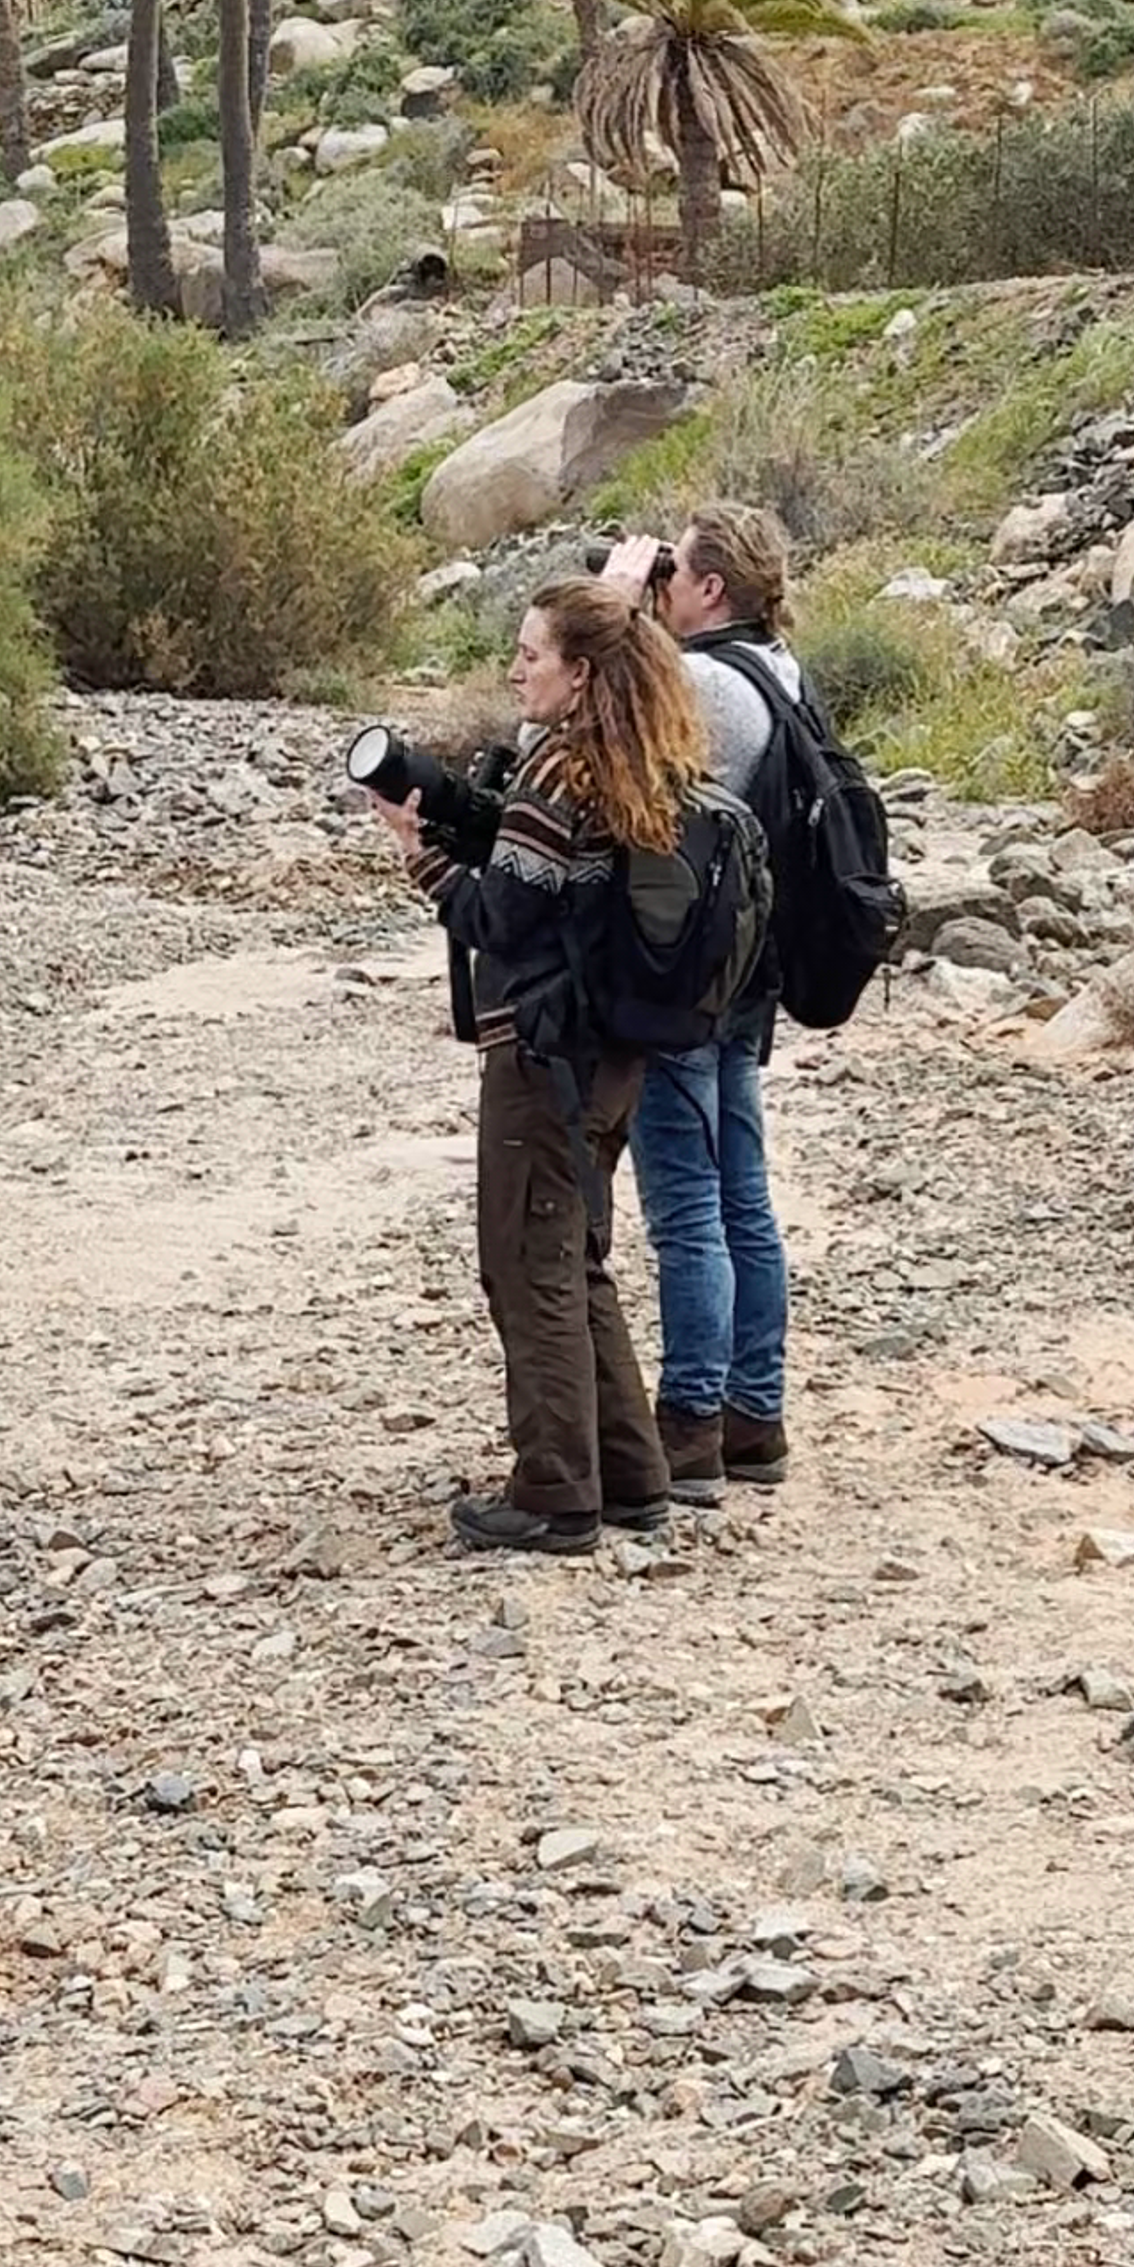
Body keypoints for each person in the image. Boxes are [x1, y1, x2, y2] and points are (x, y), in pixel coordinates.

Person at [414, 581, 707, 1562]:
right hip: (613, 1052)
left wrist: (421, 856)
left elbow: (502, 916)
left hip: (546, 1055)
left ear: (579, 673)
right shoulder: (638, 764)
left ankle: (555, 1493)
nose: (515, 670)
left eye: (530, 654)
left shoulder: (560, 771)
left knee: (527, 1259)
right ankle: (629, 1473)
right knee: (574, 1254)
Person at [599, 499, 800, 1501]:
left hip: (688, 977)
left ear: (710, 587)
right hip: (749, 969)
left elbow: (594, 747)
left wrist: (610, 608)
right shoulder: (782, 668)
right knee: (742, 1196)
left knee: (687, 1207)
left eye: (671, 570)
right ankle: (754, 1412)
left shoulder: (708, 683)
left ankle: (691, 1420)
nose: (661, 582)